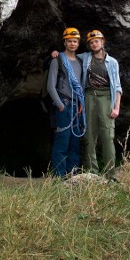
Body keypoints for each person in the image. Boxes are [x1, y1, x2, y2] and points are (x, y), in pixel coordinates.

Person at [53, 29, 122, 174]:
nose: (94, 44)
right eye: (91, 42)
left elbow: (117, 86)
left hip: (106, 97)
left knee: (108, 137)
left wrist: (116, 107)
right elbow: (68, 56)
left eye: (96, 41)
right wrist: (56, 54)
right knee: (89, 136)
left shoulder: (112, 62)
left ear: (103, 42)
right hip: (89, 97)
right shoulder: (85, 57)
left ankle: (110, 174)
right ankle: (92, 172)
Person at [46, 27, 85, 177]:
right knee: (62, 141)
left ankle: (73, 174)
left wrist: (81, 104)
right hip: (64, 104)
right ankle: (59, 176)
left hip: (77, 106)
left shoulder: (81, 61)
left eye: (75, 41)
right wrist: (60, 105)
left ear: (78, 43)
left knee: (74, 142)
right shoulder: (58, 60)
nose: (72, 44)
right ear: (65, 42)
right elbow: (51, 86)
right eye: (69, 41)